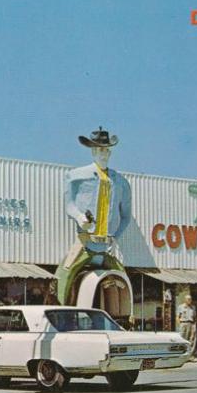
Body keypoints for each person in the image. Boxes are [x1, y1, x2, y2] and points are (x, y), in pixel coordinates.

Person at [55, 127, 132, 305]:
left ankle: (126, 317)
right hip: (85, 242)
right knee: (63, 275)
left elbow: (126, 216)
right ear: (92, 151)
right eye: (98, 149)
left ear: (110, 152)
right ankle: (57, 311)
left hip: (107, 245)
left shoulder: (121, 182)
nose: (102, 153)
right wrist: (80, 217)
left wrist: (115, 237)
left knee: (122, 279)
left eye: (105, 149)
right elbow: (70, 206)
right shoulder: (76, 176)